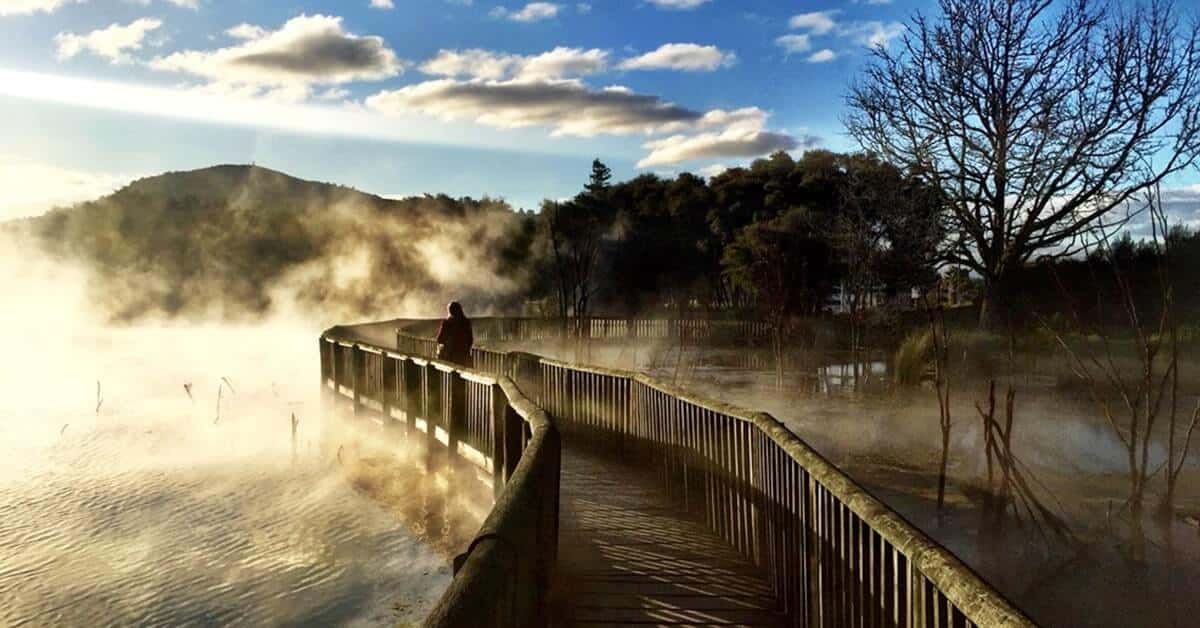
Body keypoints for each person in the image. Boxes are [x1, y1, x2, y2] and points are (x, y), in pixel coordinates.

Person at [435, 301, 474, 367]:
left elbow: (439, 339)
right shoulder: (466, 322)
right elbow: (470, 340)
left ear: (450, 311)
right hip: (463, 356)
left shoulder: (447, 323)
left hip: (450, 356)